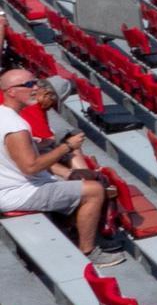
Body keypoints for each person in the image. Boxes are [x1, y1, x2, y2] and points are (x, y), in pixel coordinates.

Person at [0, 68, 120, 265]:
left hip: (10, 187)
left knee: (74, 182)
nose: (36, 88)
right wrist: (67, 147)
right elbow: (30, 167)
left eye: (35, 83)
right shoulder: (16, 127)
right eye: (29, 85)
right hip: (17, 192)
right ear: (11, 91)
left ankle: (73, 232)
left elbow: (11, 151)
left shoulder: (4, 116)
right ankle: (90, 252)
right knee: (94, 190)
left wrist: (38, 145)